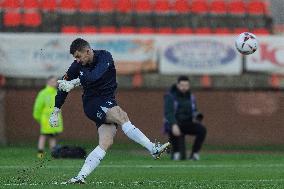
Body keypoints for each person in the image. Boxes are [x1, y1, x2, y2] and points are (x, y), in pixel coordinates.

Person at [49, 38, 170, 184]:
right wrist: (55, 110)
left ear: (87, 51)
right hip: (93, 103)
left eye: (78, 56)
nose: (77, 60)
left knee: (106, 142)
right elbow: (63, 86)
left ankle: (80, 177)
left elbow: (95, 76)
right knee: (122, 116)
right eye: (75, 58)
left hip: (107, 102)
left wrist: (73, 83)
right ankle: (153, 148)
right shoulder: (76, 66)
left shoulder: (105, 57)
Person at [164, 76, 207, 161]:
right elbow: (169, 113)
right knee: (172, 128)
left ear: (189, 86)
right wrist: (174, 124)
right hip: (176, 122)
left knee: (202, 130)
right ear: (177, 85)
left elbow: (194, 109)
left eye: (186, 85)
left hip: (188, 122)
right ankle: (176, 153)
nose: (184, 87)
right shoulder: (171, 96)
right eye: (182, 85)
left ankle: (194, 154)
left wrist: (196, 117)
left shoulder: (191, 97)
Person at [33, 76, 63, 158]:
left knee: (52, 136)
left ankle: (54, 153)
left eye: (55, 81)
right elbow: (38, 107)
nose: (55, 83)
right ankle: (40, 153)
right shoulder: (43, 93)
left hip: (54, 119)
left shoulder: (56, 92)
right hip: (46, 119)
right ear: (48, 82)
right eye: (53, 81)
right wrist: (39, 117)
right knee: (43, 135)